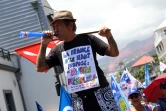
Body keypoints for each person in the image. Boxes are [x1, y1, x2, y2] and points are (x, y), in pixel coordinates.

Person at [36, 10, 119, 111]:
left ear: (70, 25)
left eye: (58, 25)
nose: (55, 29)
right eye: (54, 26)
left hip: (100, 92)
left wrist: (109, 36)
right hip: (78, 100)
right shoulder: (57, 50)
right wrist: (43, 44)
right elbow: (40, 68)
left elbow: (114, 53)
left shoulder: (88, 39)